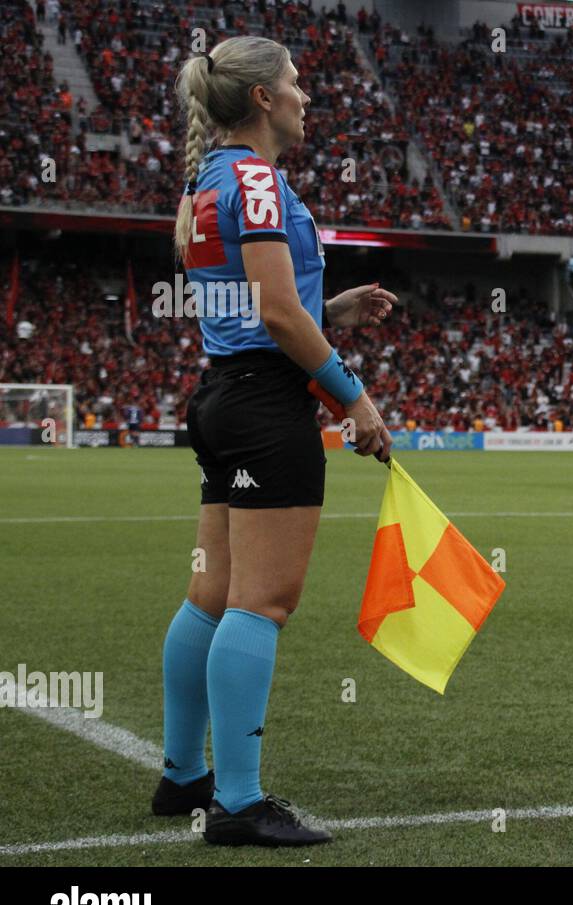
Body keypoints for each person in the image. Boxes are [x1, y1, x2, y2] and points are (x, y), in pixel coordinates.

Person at [154, 37, 396, 848]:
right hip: (264, 409)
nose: (304, 96)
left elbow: (253, 308)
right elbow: (274, 315)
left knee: (213, 595)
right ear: (260, 99)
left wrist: (332, 309)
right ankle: (239, 803)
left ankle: (185, 775)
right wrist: (355, 400)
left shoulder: (209, 178)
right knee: (262, 603)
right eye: (294, 83)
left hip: (224, 397)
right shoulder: (254, 180)